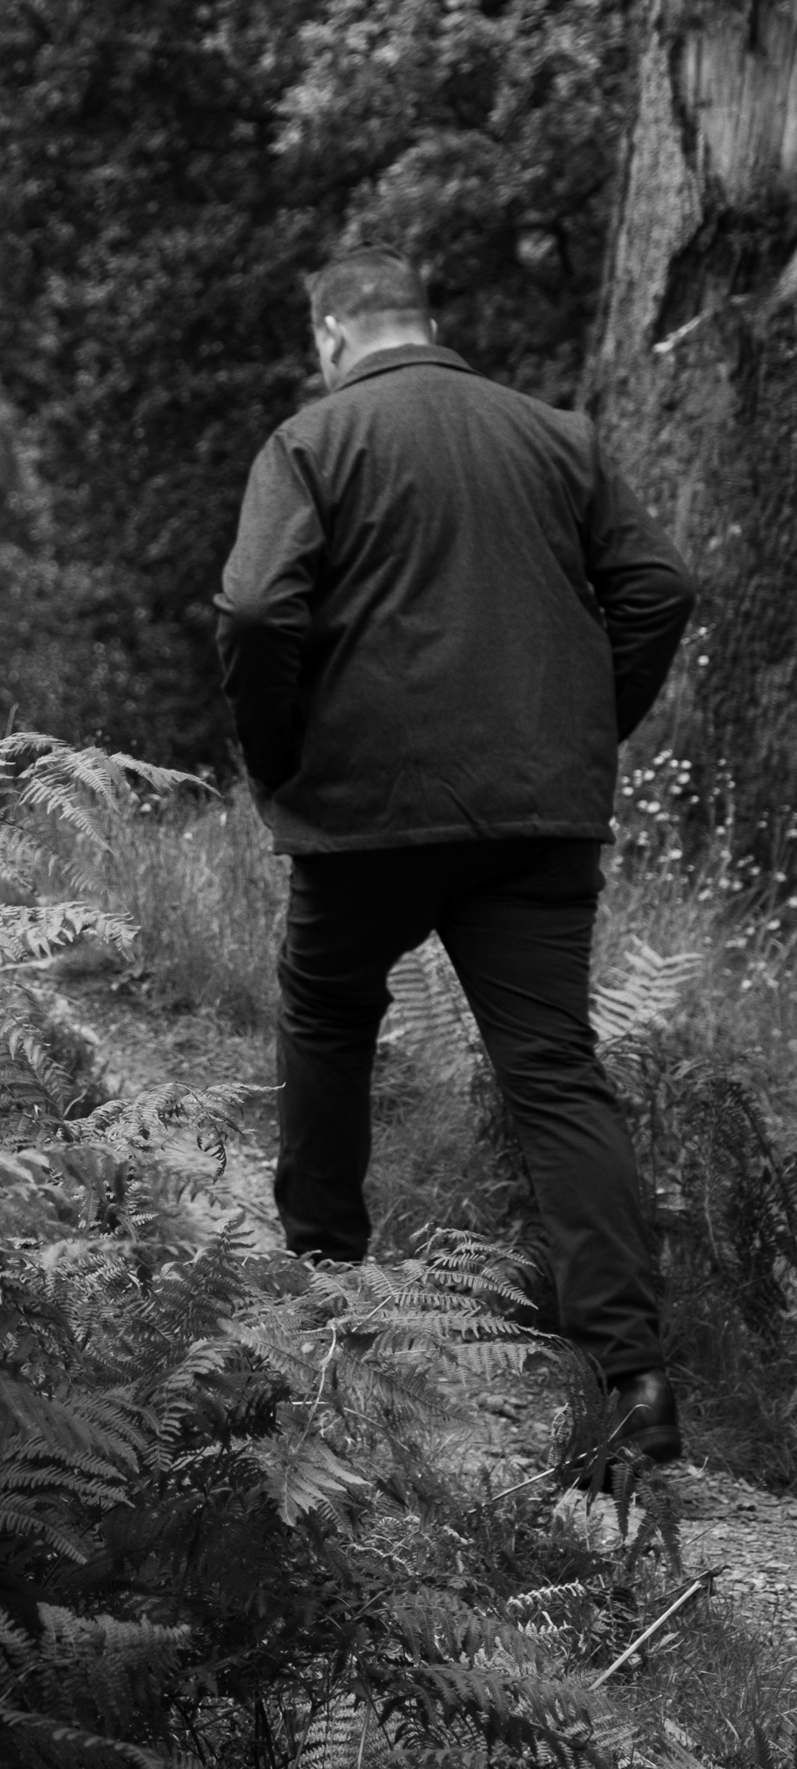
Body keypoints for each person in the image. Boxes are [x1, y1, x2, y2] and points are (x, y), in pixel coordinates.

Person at [214, 248, 697, 1460]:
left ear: (330, 333)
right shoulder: (556, 436)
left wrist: (277, 756)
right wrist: (584, 729)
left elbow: (261, 608)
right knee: (553, 1070)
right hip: (537, 814)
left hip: (364, 809)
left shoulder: (313, 442)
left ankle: (327, 1308)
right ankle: (630, 1386)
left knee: (327, 1017)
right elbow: (658, 587)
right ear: (431, 320)